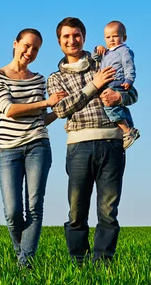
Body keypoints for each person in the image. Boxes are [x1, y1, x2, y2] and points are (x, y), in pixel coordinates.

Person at [47, 17, 138, 265]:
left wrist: (119, 97)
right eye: (66, 36)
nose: (72, 40)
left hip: (112, 142)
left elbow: (133, 93)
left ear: (84, 37)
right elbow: (63, 109)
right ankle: (79, 262)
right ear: (59, 41)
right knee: (77, 211)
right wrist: (94, 85)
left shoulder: (104, 60)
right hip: (78, 146)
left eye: (76, 35)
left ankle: (103, 264)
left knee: (108, 211)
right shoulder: (55, 78)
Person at [0, 28, 68, 269]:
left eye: (35, 49)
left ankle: (25, 265)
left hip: (38, 145)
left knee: (34, 207)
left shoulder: (39, 79)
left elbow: (41, 118)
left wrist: (63, 109)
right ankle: (20, 253)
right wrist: (46, 102)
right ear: (15, 43)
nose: (30, 52)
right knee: (13, 211)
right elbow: (8, 109)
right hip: (8, 150)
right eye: (27, 46)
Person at [92, 20, 140, 149]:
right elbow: (95, 58)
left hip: (117, 83)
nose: (111, 39)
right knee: (121, 108)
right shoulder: (107, 52)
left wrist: (129, 80)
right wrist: (97, 49)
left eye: (115, 36)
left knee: (109, 106)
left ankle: (127, 131)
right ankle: (131, 128)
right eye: (108, 37)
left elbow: (129, 67)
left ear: (124, 38)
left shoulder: (124, 51)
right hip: (107, 83)